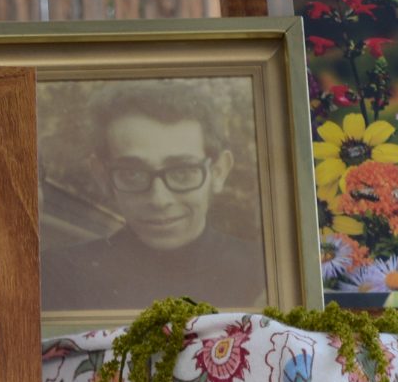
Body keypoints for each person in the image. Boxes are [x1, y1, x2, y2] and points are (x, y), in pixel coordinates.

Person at [42, 84, 266, 313]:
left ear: (218, 172)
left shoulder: (266, 273)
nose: (159, 200)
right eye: (132, 174)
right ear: (102, 176)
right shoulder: (60, 276)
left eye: (182, 172)